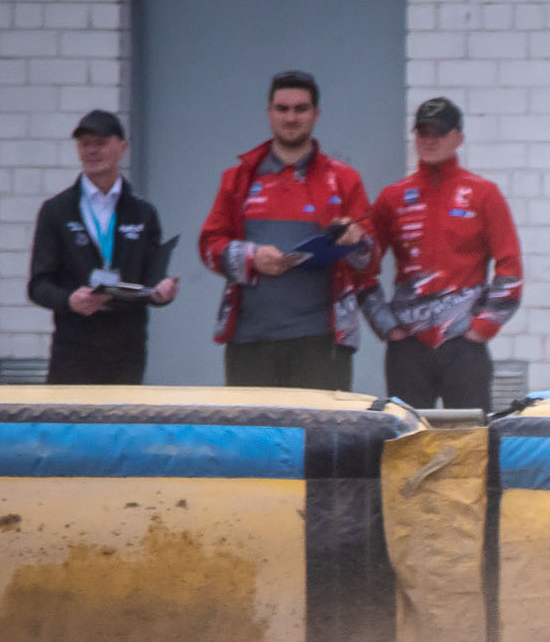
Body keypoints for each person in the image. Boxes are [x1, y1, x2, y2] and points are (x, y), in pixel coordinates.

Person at [197, 70, 380, 391]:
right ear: (269, 113)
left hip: (322, 342)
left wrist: (356, 240)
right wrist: (252, 257)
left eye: (301, 109)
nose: (291, 117)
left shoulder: (343, 179)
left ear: (316, 114)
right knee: (254, 440)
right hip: (249, 340)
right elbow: (209, 245)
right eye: (282, 109)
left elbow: (371, 260)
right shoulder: (239, 178)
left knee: (321, 440)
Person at [365, 97, 523, 410]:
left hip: (464, 344)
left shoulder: (483, 194)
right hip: (407, 345)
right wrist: (386, 326)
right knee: (406, 441)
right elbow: (361, 268)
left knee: (469, 442)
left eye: (439, 132)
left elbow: (510, 267)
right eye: (423, 132)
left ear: (458, 138)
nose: (430, 140)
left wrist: (482, 329)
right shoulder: (392, 197)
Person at [27, 109, 178, 385]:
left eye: (100, 143)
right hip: (73, 349)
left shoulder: (143, 213)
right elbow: (38, 285)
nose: (92, 151)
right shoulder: (57, 211)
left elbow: (152, 278)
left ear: (122, 147)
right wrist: (69, 300)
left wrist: (162, 292)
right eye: (85, 144)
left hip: (126, 351)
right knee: (70, 426)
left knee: (121, 426)